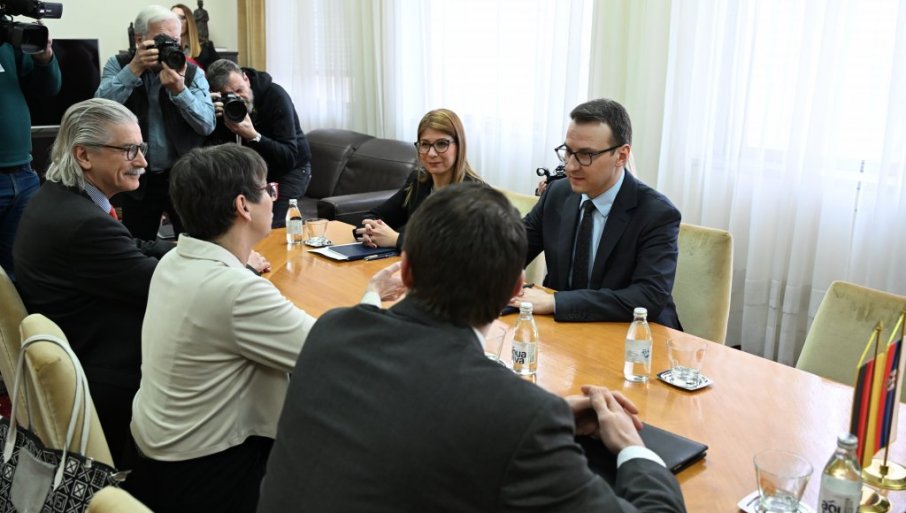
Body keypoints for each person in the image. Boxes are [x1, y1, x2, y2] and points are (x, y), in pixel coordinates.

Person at [256, 183, 687, 512]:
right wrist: (632, 448)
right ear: (516, 289)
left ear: (405, 270)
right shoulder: (517, 417)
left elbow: (417, 407)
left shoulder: (331, 331)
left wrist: (550, 415)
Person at [126, 144, 404, 513]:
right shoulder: (235, 290)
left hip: (158, 452)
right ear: (243, 206)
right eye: (267, 188)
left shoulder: (175, 259)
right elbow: (334, 355)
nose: (274, 196)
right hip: (204, 474)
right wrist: (373, 295)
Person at [12, 98, 176, 464]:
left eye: (142, 148)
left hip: (86, 342)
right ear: (84, 155)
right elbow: (164, 289)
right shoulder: (82, 224)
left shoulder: (61, 198)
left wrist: (186, 249)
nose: (142, 161)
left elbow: (131, 247)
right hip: (110, 372)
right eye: (129, 150)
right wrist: (228, 261)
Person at [516, 98, 682, 328]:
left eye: (586, 155)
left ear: (621, 156)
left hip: (635, 334)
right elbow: (513, 250)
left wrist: (556, 302)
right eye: (568, 152)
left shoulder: (657, 214)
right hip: (564, 330)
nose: (570, 166)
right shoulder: (557, 193)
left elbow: (647, 297)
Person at [95, 5, 215, 241]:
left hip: (185, 177)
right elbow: (99, 110)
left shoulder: (191, 72)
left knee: (195, 243)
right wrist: (133, 70)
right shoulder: (119, 65)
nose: (170, 47)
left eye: (175, 41)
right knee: (138, 245)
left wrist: (180, 91)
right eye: (162, 40)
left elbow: (207, 124)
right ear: (140, 39)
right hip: (137, 177)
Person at [356, 108, 484, 249]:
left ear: (459, 146)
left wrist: (396, 239)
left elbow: (456, 248)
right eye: (425, 144)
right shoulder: (418, 182)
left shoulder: (475, 195)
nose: (431, 153)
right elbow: (374, 215)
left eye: (442, 144)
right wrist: (370, 230)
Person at [205, 59, 312, 227]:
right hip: (252, 173)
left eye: (239, 90)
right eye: (228, 96)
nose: (238, 99)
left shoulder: (275, 96)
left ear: (246, 78)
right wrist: (208, 116)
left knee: (273, 226)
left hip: (290, 169)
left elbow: (288, 156)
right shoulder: (219, 108)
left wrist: (254, 136)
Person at [0, 34, 61, 279]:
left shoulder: (6, 37)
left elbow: (48, 89)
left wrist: (44, 58)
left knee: (22, 268)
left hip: (23, 173)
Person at [171, 3, 220, 69]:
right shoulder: (167, 47)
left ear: (189, 21)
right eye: (173, 17)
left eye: (181, 18)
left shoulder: (206, 47)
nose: (176, 21)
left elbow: (220, 72)